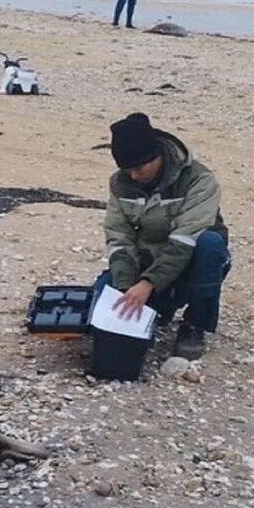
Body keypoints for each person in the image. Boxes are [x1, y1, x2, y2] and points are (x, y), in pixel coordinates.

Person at [99, 113, 230, 360]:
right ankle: (159, 308)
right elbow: (119, 238)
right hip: (149, 257)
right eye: (127, 169)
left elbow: (185, 239)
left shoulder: (199, 180)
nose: (134, 176)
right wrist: (126, 287)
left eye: (139, 167)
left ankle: (195, 325)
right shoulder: (120, 183)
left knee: (210, 245)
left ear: (157, 155)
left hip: (192, 256)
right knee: (103, 295)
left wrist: (147, 284)